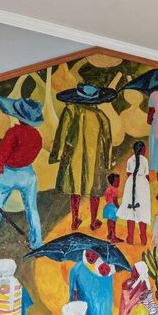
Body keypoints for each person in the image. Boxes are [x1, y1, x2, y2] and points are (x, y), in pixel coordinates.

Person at [0, 97, 45, 255]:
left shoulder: (13, 133)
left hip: (7, 174)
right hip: (27, 174)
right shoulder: (37, 137)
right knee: (32, 208)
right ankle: (37, 243)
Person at [52, 83, 114, 230]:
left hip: (74, 155)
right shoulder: (101, 116)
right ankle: (93, 221)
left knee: (75, 186)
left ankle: (75, 220)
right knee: (94, 189)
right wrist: (108, 161)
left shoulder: (70, 110)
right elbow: (108, 141)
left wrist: (58, 153)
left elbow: (61, 133)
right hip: (95, 158)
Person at [69, 249, 114, 315]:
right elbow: (74, 293)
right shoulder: (77, 268)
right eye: (88, 254)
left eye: (93, 254)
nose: (90, 257)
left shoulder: (106, 268)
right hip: (86, 313)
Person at [116, 141, 152, 245]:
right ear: (142, 150)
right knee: (142, 210)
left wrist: (133, 181)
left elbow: (128, 173)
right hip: (142, 185)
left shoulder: (130, 160)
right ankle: (143, 235)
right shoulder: (145, 160)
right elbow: (146, 175)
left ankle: (130, 236)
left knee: (130, 211)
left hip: (131, 184)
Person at [103, 172, 122, 243]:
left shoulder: (108, 189)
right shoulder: (114, 190)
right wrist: (119, 208)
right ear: (112, 182)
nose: (118, 183)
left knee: (109, 221)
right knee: (113, 222)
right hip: (113, 208)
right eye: (117, 181)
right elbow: (115, 201)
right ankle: (113, 237)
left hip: (107, 207)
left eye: (119, 181)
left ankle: (109, 234)